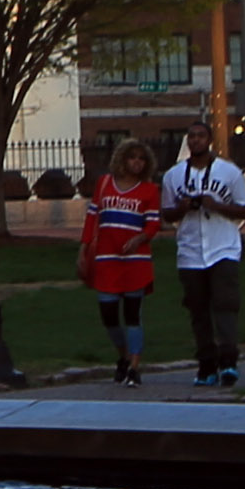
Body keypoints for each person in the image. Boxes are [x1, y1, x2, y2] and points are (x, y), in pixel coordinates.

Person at [164, 124, 245, 387]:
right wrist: (182, 208)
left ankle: (228, 361)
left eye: (200, 136)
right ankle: (206, 364)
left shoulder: (228, 171)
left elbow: (244, 210)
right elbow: (166, 214)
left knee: (225, 304)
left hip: (223, 248)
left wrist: (215, 205)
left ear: (209, 140)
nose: (195, 141)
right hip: (190, 251)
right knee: (198, 310)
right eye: (191, 137)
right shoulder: (173, 176)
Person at [80, 139, 162, 380]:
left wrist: (140, 239)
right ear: (122, 159)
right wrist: (83, 251)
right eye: (132, 157)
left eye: (141, 158)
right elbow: (91, 218)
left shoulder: (149, 190)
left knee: (132, 313)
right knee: (108, 314)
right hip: (106, 258)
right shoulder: (104, 184)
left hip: (135, 259)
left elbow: (154, 223)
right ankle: (123, 355)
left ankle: (135, 367)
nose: (136, 162)